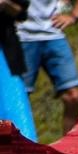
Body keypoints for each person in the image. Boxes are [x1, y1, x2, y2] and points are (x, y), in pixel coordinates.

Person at [13, 0, 78, 136]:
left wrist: (74, 15)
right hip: (21, 37)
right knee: (18, 100)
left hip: (54, 34)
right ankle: (18, 150)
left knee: (73, 96)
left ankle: (68, 150)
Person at [0, 2, 40, 138]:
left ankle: (25, 152)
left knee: (15, 110)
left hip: (5, 52)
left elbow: (21, 12)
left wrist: (5, 3)